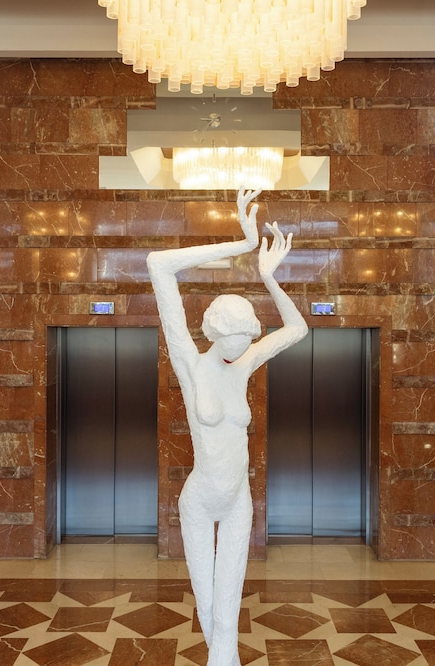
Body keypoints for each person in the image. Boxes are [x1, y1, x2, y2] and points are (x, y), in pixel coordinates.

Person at [147, 188, 308, 666]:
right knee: (208, 601)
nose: (239, 348)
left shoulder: (246, 361)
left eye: (246, 339)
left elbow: (298, 330)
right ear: (213, 332)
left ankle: (226, 655)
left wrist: (267, 276)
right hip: (199, 501)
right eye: (231, 339)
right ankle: (220, 650)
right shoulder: (191, 364)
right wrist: (242, 244)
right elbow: (159, 264)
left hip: (239, 498)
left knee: (229, 607)